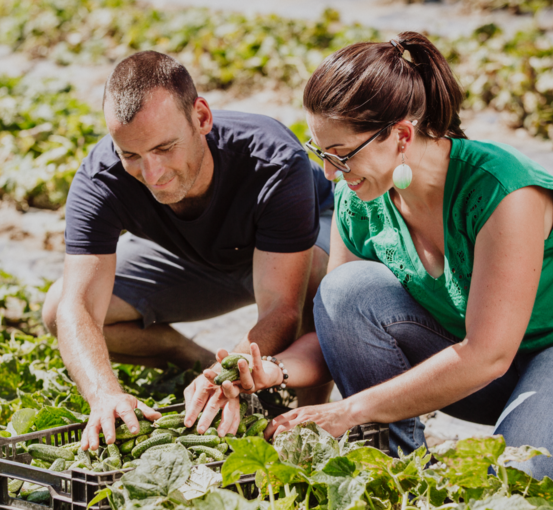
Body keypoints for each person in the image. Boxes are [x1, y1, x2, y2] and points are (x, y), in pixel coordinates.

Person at [207, 32, 553, 485]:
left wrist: (348, 411)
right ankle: (396, 466)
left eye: (342, 155)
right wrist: (273, 369)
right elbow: (338, 327)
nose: (329, 172)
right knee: (343, 292)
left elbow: (487, 354)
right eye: (321, 152)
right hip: (496, 371)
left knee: (519, 483)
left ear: (402, 135)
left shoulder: (502, 190)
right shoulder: (361, 196)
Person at [41, 50, 335, 451]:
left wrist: (230, 371)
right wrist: (103, 393)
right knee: (57, 305)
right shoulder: (101, 178)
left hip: (286, 254)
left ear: (201, 118)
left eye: (164, 148)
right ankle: (190, 358)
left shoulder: (272, 159)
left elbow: (281, 307)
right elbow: (77, 307)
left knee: (326, 284)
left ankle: (303, 422)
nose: (152, 174)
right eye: (131, 155)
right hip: (197, 259)